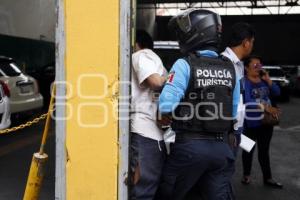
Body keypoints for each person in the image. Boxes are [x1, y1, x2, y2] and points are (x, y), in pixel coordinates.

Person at [157, 9, 240, 200]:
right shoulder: (229, 68)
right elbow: (233, 111)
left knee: (168, 193)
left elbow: (166, 105)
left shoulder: (184, 64)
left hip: (190, 148)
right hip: (222, 150)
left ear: (196, 32)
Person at [130, 29, 167, 200]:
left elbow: (156, 82)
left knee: (143, 188)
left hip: (146, 132)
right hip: (150, 131)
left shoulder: (141, 55)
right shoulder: (152, 59)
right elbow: (158, 83)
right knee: (146, 187)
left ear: (136, 43)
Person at [221, 22, 255, 199]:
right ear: (246, 42)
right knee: (223, 172)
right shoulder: (222, 63)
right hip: (228, 129)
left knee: (228, 171)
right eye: (252, 42)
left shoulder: (239, 65)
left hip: (237, 128)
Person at [241, 55, 283, 188]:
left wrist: (269, 80)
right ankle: (246, 175)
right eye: (255, 65)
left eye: (260, 65)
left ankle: (268, 178)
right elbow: (247, 100)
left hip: (266, 123)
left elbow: (277, 93)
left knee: (264, 151)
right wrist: (266, 107)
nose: (258, 68)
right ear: (246, 68)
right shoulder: (244, 82)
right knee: (247, 150)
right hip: (249, 124)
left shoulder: (264, 81)